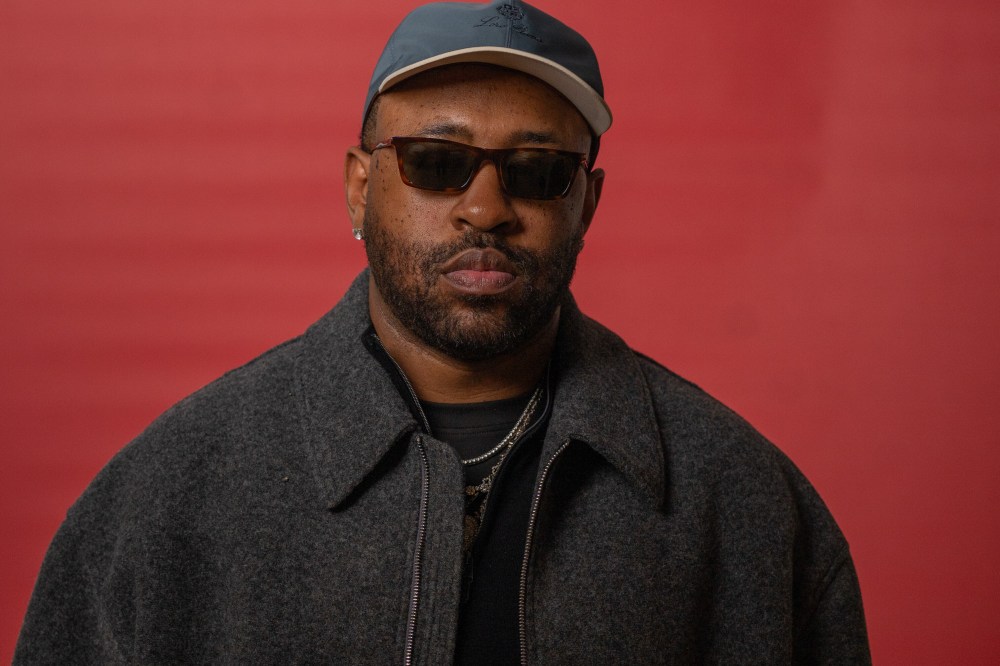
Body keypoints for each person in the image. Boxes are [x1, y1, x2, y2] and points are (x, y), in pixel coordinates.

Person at [15, 1, 870, 663]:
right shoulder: (166, 499)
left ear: (587, 204)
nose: (485, 209)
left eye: (537, 170)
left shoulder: (745, 507)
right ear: (360, 187)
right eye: (436, 161)